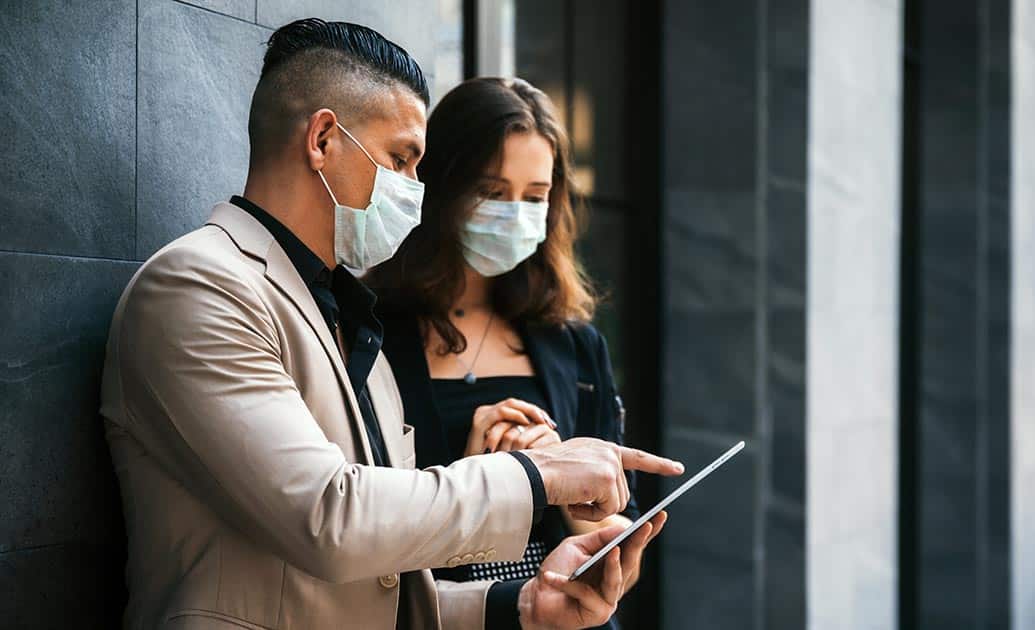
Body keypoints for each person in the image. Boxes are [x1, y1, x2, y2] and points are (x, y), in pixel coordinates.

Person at [99, 18, 682, 630]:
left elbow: (382, 587)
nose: (413, 191)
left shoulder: (346, 313)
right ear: (323, 138)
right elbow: (330, 518)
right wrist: (538, 474)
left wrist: (525, 606)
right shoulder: (199, 286)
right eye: (401, 160)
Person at [367, 77, 650, 629]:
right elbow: (359, 533)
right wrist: (480, 478)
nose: (515, 213)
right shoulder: (371, 333)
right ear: (445, 186)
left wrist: (572, 493)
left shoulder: (572, 342)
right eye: (493, 192)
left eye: (535, 196)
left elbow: (623, 555)